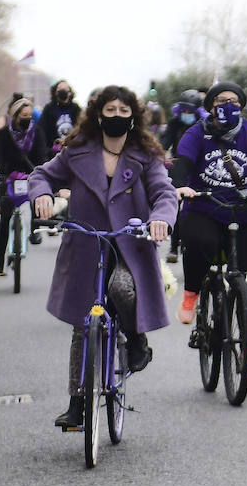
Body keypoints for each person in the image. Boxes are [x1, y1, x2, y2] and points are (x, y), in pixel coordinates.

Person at [26, 86, 177, 429]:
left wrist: (161, 219)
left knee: (123, 289)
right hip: (86, 244)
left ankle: (136, 339)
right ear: (98, 114)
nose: (118, 116)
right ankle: (77, 405)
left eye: (125, 111)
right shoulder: (77, 151)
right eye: (111, 110)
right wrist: (42, 195)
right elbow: (42, 175)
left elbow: (164, 191)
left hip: (129, 244)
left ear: (134, 117)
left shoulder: (146, 154)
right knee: (84, 325)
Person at [171, 81, 247, 375]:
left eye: (234, 101)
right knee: (201, 244)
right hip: (204, 208)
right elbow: (183, 162)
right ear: (211, 106)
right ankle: (192, 292)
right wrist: (180, 186)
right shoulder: (196, 133)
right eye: (222, 100)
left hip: (244, 212)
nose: (228, 105)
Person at [0, 97, 47, 274]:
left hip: (31, 177)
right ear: (14, 116)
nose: (27, 119)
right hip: (8, 179)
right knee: (5, 219)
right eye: (23, 115)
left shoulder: (38, 133)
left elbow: (42, 156)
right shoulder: (3, 134)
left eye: (29, 115)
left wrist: (43, 173)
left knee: (38, 202)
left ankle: (35, 232)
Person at [159, 89, 205, 264]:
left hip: (199, 169)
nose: (186, 114)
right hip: (178, 167)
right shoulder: (174, 123)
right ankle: (173, 247)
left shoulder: (204, 124)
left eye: (190, 111)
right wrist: (161, 153)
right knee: (175, 205)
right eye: (183, 110)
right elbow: (164, 142)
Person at [37, 80, 82, 154]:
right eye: (60, 88)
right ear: (55, 93)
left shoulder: (76, 108)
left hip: (73, 150)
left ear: (70, 93)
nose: (62, 90)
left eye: (65, 88)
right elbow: (42, 130)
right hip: (53, 152)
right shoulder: (49, 108)